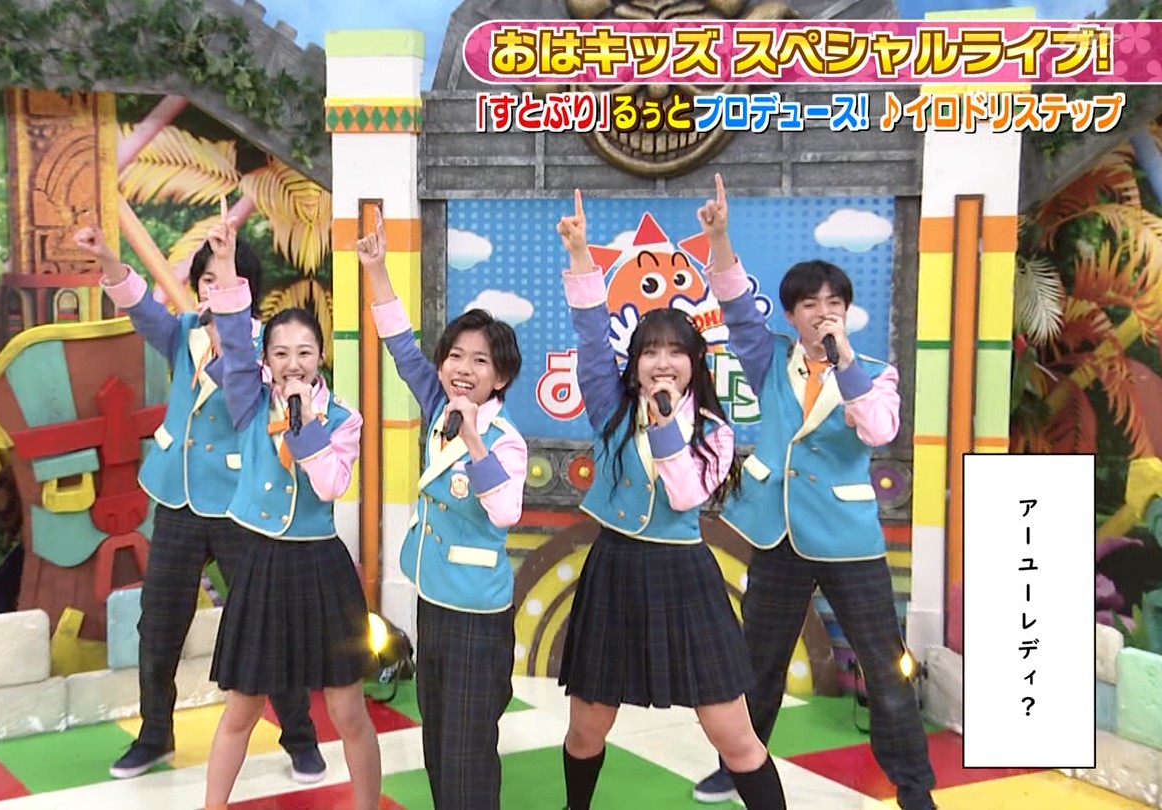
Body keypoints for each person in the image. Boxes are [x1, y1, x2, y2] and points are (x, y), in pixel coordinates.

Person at [689, 174, 936, 810]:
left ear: (847, 311)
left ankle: (914, 787)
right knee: (758, 660)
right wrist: (719, 239)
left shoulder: (874, 373)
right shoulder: (769, 358)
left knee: (885, 667)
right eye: (808, 303)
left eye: (833, 302)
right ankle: (737, 766)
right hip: (778, 533)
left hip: (850, 541)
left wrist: (845, 361)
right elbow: (735, 304)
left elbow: (878, 430)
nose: (822, 311)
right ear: (791, 314)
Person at [554, 189, 787, 810]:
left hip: (685, 576)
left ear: (694, 362)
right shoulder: (610, 407)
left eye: (675, 351)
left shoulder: (714, 430)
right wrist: (580, 255)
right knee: (586, 730)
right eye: (649, 351)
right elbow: (590, 335)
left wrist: (663, 426)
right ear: (634, 364)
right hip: (614, 568)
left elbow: (685, 493)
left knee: (734, 734)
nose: (662, 362)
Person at [75, 223, 327, 783]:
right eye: (207, 279)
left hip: (241, 505)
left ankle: (301, 738)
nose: (215, 287)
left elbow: (247, 388)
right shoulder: (185, 331)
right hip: (178, 500)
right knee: (158, 625)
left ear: (248, 287)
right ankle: (154, 735)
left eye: (227, 277)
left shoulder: (265, 347)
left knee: (267, 622)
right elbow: (142, 309)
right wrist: (109, 258)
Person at [202, 216, 382, 810]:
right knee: (242, 707)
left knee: (347, 710)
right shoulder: (249, 400)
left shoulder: (343, 419)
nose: (293, 362)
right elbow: (233, 340)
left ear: (321, 356)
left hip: (320, 567)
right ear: (267, 360)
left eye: (304, 351)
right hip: (262, 564)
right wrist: (225, 264)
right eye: (280, 353)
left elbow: (330, 485)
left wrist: (304, 424)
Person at [357, 218, 527, 809]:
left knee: (467, 747)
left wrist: (474, 439)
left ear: (501, 376)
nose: (462, 368)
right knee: (437, 739)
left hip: (477, 613)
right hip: (433, 598)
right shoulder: (438, 407)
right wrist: (376, 270)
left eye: (479, 361)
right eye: (455, 356)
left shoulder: (505, 438)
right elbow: (401, 347)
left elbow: (505, 511)